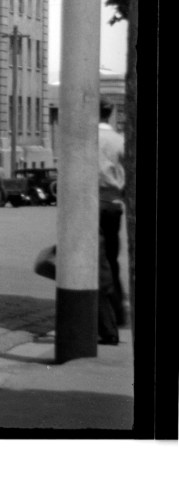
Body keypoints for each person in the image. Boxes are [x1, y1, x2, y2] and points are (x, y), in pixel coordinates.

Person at [98, 103, 126, 344]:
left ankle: (107, 319)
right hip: (114, 203)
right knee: (111, 258)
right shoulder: (119, 140)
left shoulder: (86, 139)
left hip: (91, 203)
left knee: (96, 261)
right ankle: (117, 311)